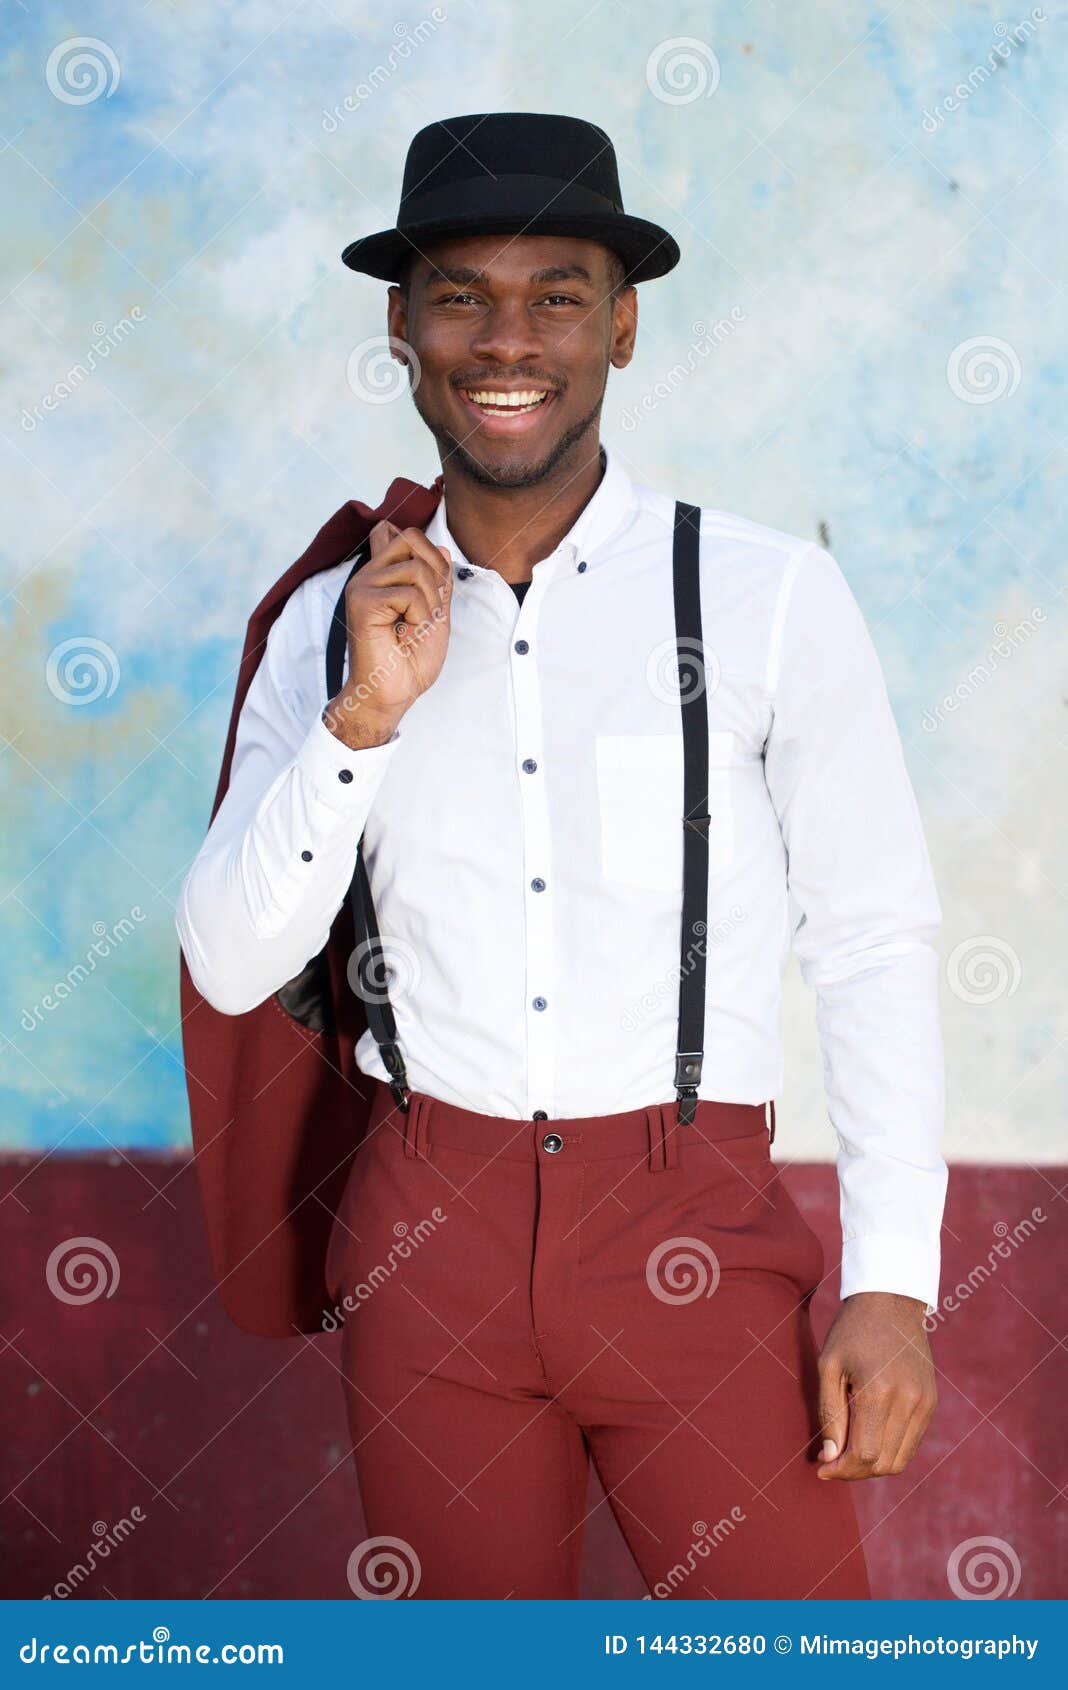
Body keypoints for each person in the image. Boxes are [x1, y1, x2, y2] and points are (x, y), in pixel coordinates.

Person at [176, 112, 945, 1600]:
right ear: (400, 329)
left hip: (693, 1232)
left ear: (625, 325)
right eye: (459, 294)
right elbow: (229, 955)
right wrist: (362, 721)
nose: (505, 339)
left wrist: (896, 1280)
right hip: (426, 1240)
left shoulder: (771, 595)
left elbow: (872, 937)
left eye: (558, 296)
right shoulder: (335, 619)